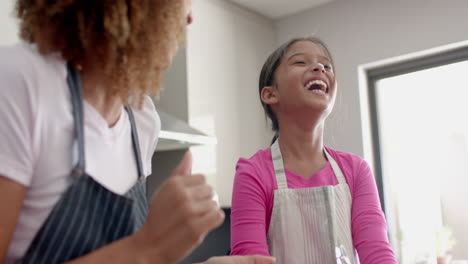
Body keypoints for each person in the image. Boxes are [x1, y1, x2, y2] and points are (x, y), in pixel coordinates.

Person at [0, 0, 275, 263]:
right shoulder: (19, 81)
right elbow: (140, 252)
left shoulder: (141, 119)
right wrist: (150, 247)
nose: (189, 17)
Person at [230, 37, 398, 263]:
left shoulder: (356, 170)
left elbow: (377, 254)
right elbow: (249, 260)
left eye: (326, 66)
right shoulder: (253, 172)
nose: (319, 68)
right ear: (271, 94)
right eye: (300, 62)